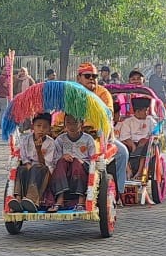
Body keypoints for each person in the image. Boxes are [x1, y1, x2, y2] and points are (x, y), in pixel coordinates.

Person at [75, 63, 129, 201]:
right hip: (74, 136)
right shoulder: (72, 93)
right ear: (78, 78)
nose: (92, 79)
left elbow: (108, 114)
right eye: (87, 76)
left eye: (94, 76)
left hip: (100, 138)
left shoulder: (103, 93)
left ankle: (119, 192)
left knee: (123, 153)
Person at [48, 114, 95, 212]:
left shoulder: (88, 139)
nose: (72, 126)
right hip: (65, 169)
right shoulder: (60, 139)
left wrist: (81, 161)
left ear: (81, 124)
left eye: (75, 123)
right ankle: (60, 198)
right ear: (65, 124)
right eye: (68, 123)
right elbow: (54, 159)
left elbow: (93, 159)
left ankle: (81, 199)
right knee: (61, 161)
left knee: (77, 163)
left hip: (82, 168)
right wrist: (63, 157)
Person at [9, 113, 55, 212]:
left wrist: (39, 150)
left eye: (45, 127)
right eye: (38, 126)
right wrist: (27, 163)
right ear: (32, 126)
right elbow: (24, 156)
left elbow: (45, 163)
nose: (41, 129)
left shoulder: (50, 143)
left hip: (44, 169)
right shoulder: (26, 139)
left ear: (49, 129)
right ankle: (17, 198)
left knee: (37, 167)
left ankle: (32, 199)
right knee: (21, 169)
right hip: (29, 165)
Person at [118, 97, 158, 178]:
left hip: (146, 144)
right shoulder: (128, 122)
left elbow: (155, 133)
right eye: (145, 111)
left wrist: (146, 140)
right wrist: (132, 145)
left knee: (148, 145)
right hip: (131, 143)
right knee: (122, 148)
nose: (147, 113)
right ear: (138, 111)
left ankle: (140, 172)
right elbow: (124, 137)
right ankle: (128, 170)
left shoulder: (150, 120)